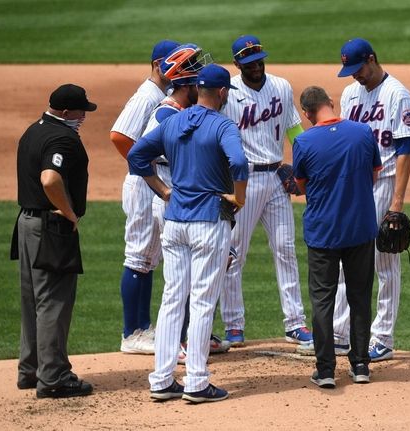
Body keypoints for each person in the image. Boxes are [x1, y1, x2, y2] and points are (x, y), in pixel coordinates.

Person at [128, 64, 248, 403]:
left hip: (175, 220)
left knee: (171, 300)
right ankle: (196, 381)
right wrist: (238, 197)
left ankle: (162, 379)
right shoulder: (224, 125)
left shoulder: (173, 120)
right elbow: (238, 163)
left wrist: (163, 190)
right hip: (209, 222)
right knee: (202, 302)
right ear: (223, 92)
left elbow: (137, 156)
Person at [219, 34, 311, 347]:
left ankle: (295, 323)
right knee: (233, 253)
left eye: (259, 61)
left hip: (275, 179)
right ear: (236, 64)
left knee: (285, 249)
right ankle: (233, 325)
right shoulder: (227, 94)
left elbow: (296, 132)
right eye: (248, 63)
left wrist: (299, 170)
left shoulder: (282, 87)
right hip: (241, 182)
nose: (256, 67)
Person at [332, 37, 410, 361]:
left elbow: (406, 151)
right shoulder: (349, 93)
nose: (355, 76)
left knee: (384, 260)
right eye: (350, 70)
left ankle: (382, 338)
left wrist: (397, 203)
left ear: (372, 59)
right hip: (353, 185)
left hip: (384, 181)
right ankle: (340, 334)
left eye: (358, 69)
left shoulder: (398, 95)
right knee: (343, 256)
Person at [292, 86, 381, 389]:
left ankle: (326, 370)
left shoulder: (303, 141)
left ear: (306, 113)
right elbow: (374, 176)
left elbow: (301, 187)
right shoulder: (363, 132)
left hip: (323, 232)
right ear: (331, 103)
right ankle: (360, 366)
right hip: (360, 228)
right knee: (359, 297)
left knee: (322, 300)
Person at [12, 84, 97, 398]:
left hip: (26, 223)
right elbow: (50, 178)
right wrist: (68, 212)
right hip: (50, 227)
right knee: (53, 302)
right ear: (65, 112)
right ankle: (55, 377)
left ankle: (31, 370)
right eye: (80, 112)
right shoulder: (63, 138)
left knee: (32, 300)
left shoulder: (34, 130)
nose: (83, 117)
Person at [110, 39, 180, 354]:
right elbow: (119, 136)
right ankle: (132, 333)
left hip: (150, 181)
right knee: (138, 256)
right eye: (173, 63)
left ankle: (143, 328)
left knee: (148, 259)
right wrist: (145, 166)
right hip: (142, 183)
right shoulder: (147, 96)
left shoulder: (162, 95)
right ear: (157, 64)